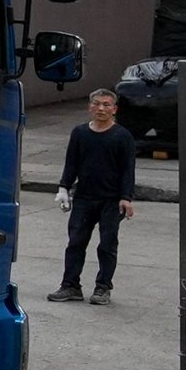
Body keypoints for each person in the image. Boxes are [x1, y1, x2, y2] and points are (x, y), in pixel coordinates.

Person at [56, 87, 138, 302]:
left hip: (111, 200)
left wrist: (126, 197)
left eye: (106, 105)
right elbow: (71, 162)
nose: (101, 108)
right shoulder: (80, 133)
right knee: (75, 243)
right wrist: (63, 187)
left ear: (114, 109)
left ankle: (103, 288)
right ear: (90, 107)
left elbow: (128, 169)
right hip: (84, 198)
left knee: (107, 245)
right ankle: (70, 285)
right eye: (97, 104)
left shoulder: (122, 137)